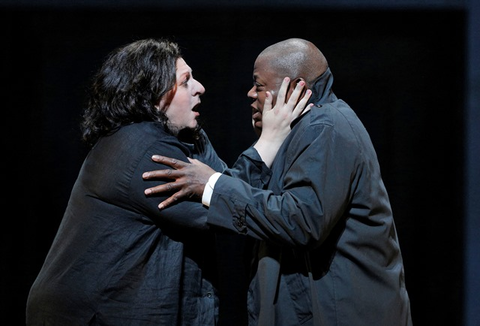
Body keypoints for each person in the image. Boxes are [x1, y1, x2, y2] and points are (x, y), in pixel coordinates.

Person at [26, 38, 311, 325]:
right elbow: (224, 207)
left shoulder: (187, 137)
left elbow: (228, 187)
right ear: (153, 93)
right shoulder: (139, 149)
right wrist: (270, 140)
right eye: (186, 81)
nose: (200, 88)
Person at [143, 38, 413, 326]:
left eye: (259, 86)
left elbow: (303, 220)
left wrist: (213, 185)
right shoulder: (297, 132)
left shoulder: (326, 127)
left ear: (295, 87)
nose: (250, 94)